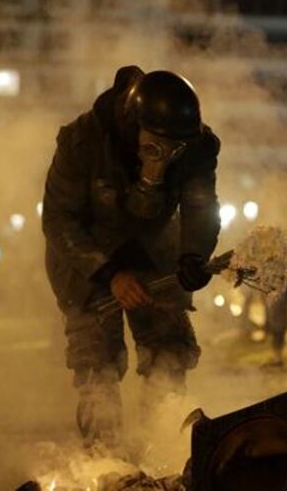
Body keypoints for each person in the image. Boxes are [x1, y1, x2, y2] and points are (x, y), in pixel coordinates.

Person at [42, 66, 220, 447]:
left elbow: (200, 205)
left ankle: (163, 450)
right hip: (87, 261)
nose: (166, 155)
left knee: (169, 356)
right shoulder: (81, 142)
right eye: (155, 146)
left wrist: (193, 255)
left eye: (174, 149)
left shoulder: (195, 144)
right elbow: (59, 222)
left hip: (153, 252)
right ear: (131, 123)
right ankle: (103, 463)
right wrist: (110, 274)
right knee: (98, 369)